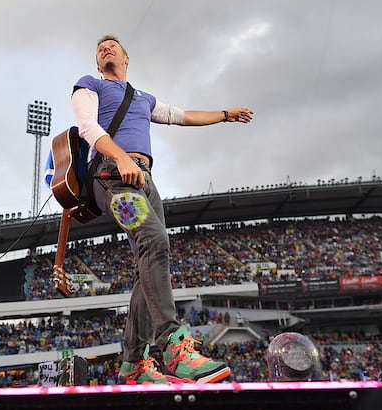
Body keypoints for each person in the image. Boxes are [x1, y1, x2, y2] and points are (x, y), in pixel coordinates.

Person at [71, 35, 254, 384]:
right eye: (99, 49)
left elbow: (181, 116)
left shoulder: (144, 98)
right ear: (97, 63)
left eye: (112, 46)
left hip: (144, 181)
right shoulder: (89, 85)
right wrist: (121, 157)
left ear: (127, 58)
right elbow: (88, 128)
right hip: (110, 178)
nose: (105, 49)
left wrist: (225, 115)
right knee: (154, 242)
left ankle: (134, 365)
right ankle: (172, 343)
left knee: (149, 265)